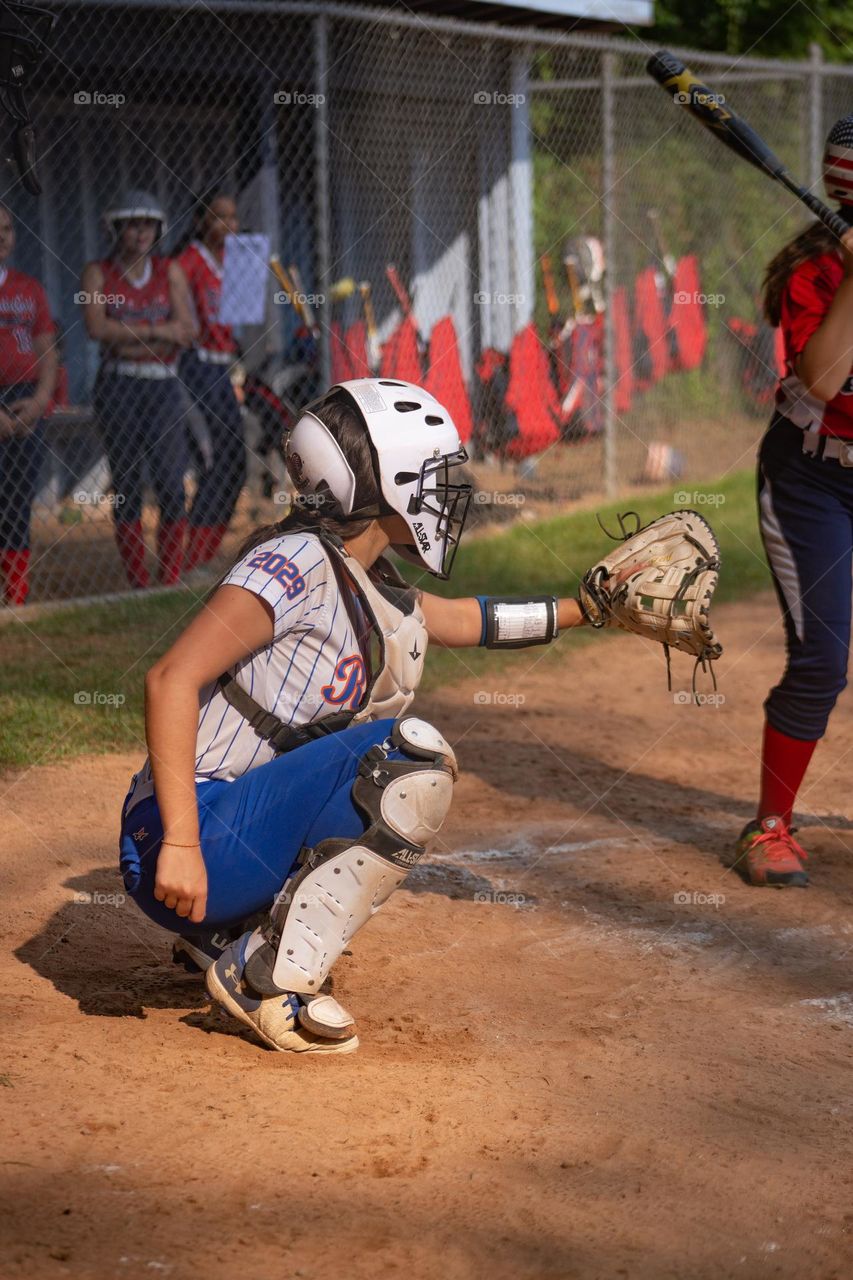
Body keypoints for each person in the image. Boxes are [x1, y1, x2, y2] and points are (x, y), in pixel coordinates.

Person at [117, 377, 617, 1055]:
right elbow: (170, 680)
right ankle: (263, 982)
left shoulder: (364, 582)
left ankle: (230, 936)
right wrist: (179, 843)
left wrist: (588, 609)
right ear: (390, 481)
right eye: (434, 476)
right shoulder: (295, 561)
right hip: (182, 841)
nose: (446, 494)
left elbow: (465, 620)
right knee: (407, 760)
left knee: (374, 758)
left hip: (220, 848)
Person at [733, 115, 853, 888]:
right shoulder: (814, 274)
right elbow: (821, 382)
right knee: (822, 656)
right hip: (811, 481)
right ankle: (768, 825)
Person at [81, 190, 196, 589]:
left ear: (158, 229)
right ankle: (138, 584)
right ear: (116, 228)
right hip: (119, 383)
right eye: (131, 224)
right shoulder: (98, 273)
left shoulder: (170, 271)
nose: (140, 232)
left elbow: (186, 331)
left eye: (147, 223)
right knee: (127, 480)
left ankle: (169, 579)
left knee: (169, 481)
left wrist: (128, 333)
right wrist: (155, 331)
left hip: (162, 386)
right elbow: (97, 328)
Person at [178, 191, 246, 571]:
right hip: (197, 366)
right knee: (215, 459)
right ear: (202, 221)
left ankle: (207, 552)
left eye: (233, 218)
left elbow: (239, 324)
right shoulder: (188, 262)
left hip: (224, 367)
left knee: (236, 462)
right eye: (220, 218)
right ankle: (193, 559)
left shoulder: (234, 262)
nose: (230, 226)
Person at [0, 202, 58, 605]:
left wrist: (39, 400)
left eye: (6, 228)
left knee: (18, 499)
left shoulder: (28, 288)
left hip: (24, 398)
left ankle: (14, 595)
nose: (1, 236)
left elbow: (47, 351)